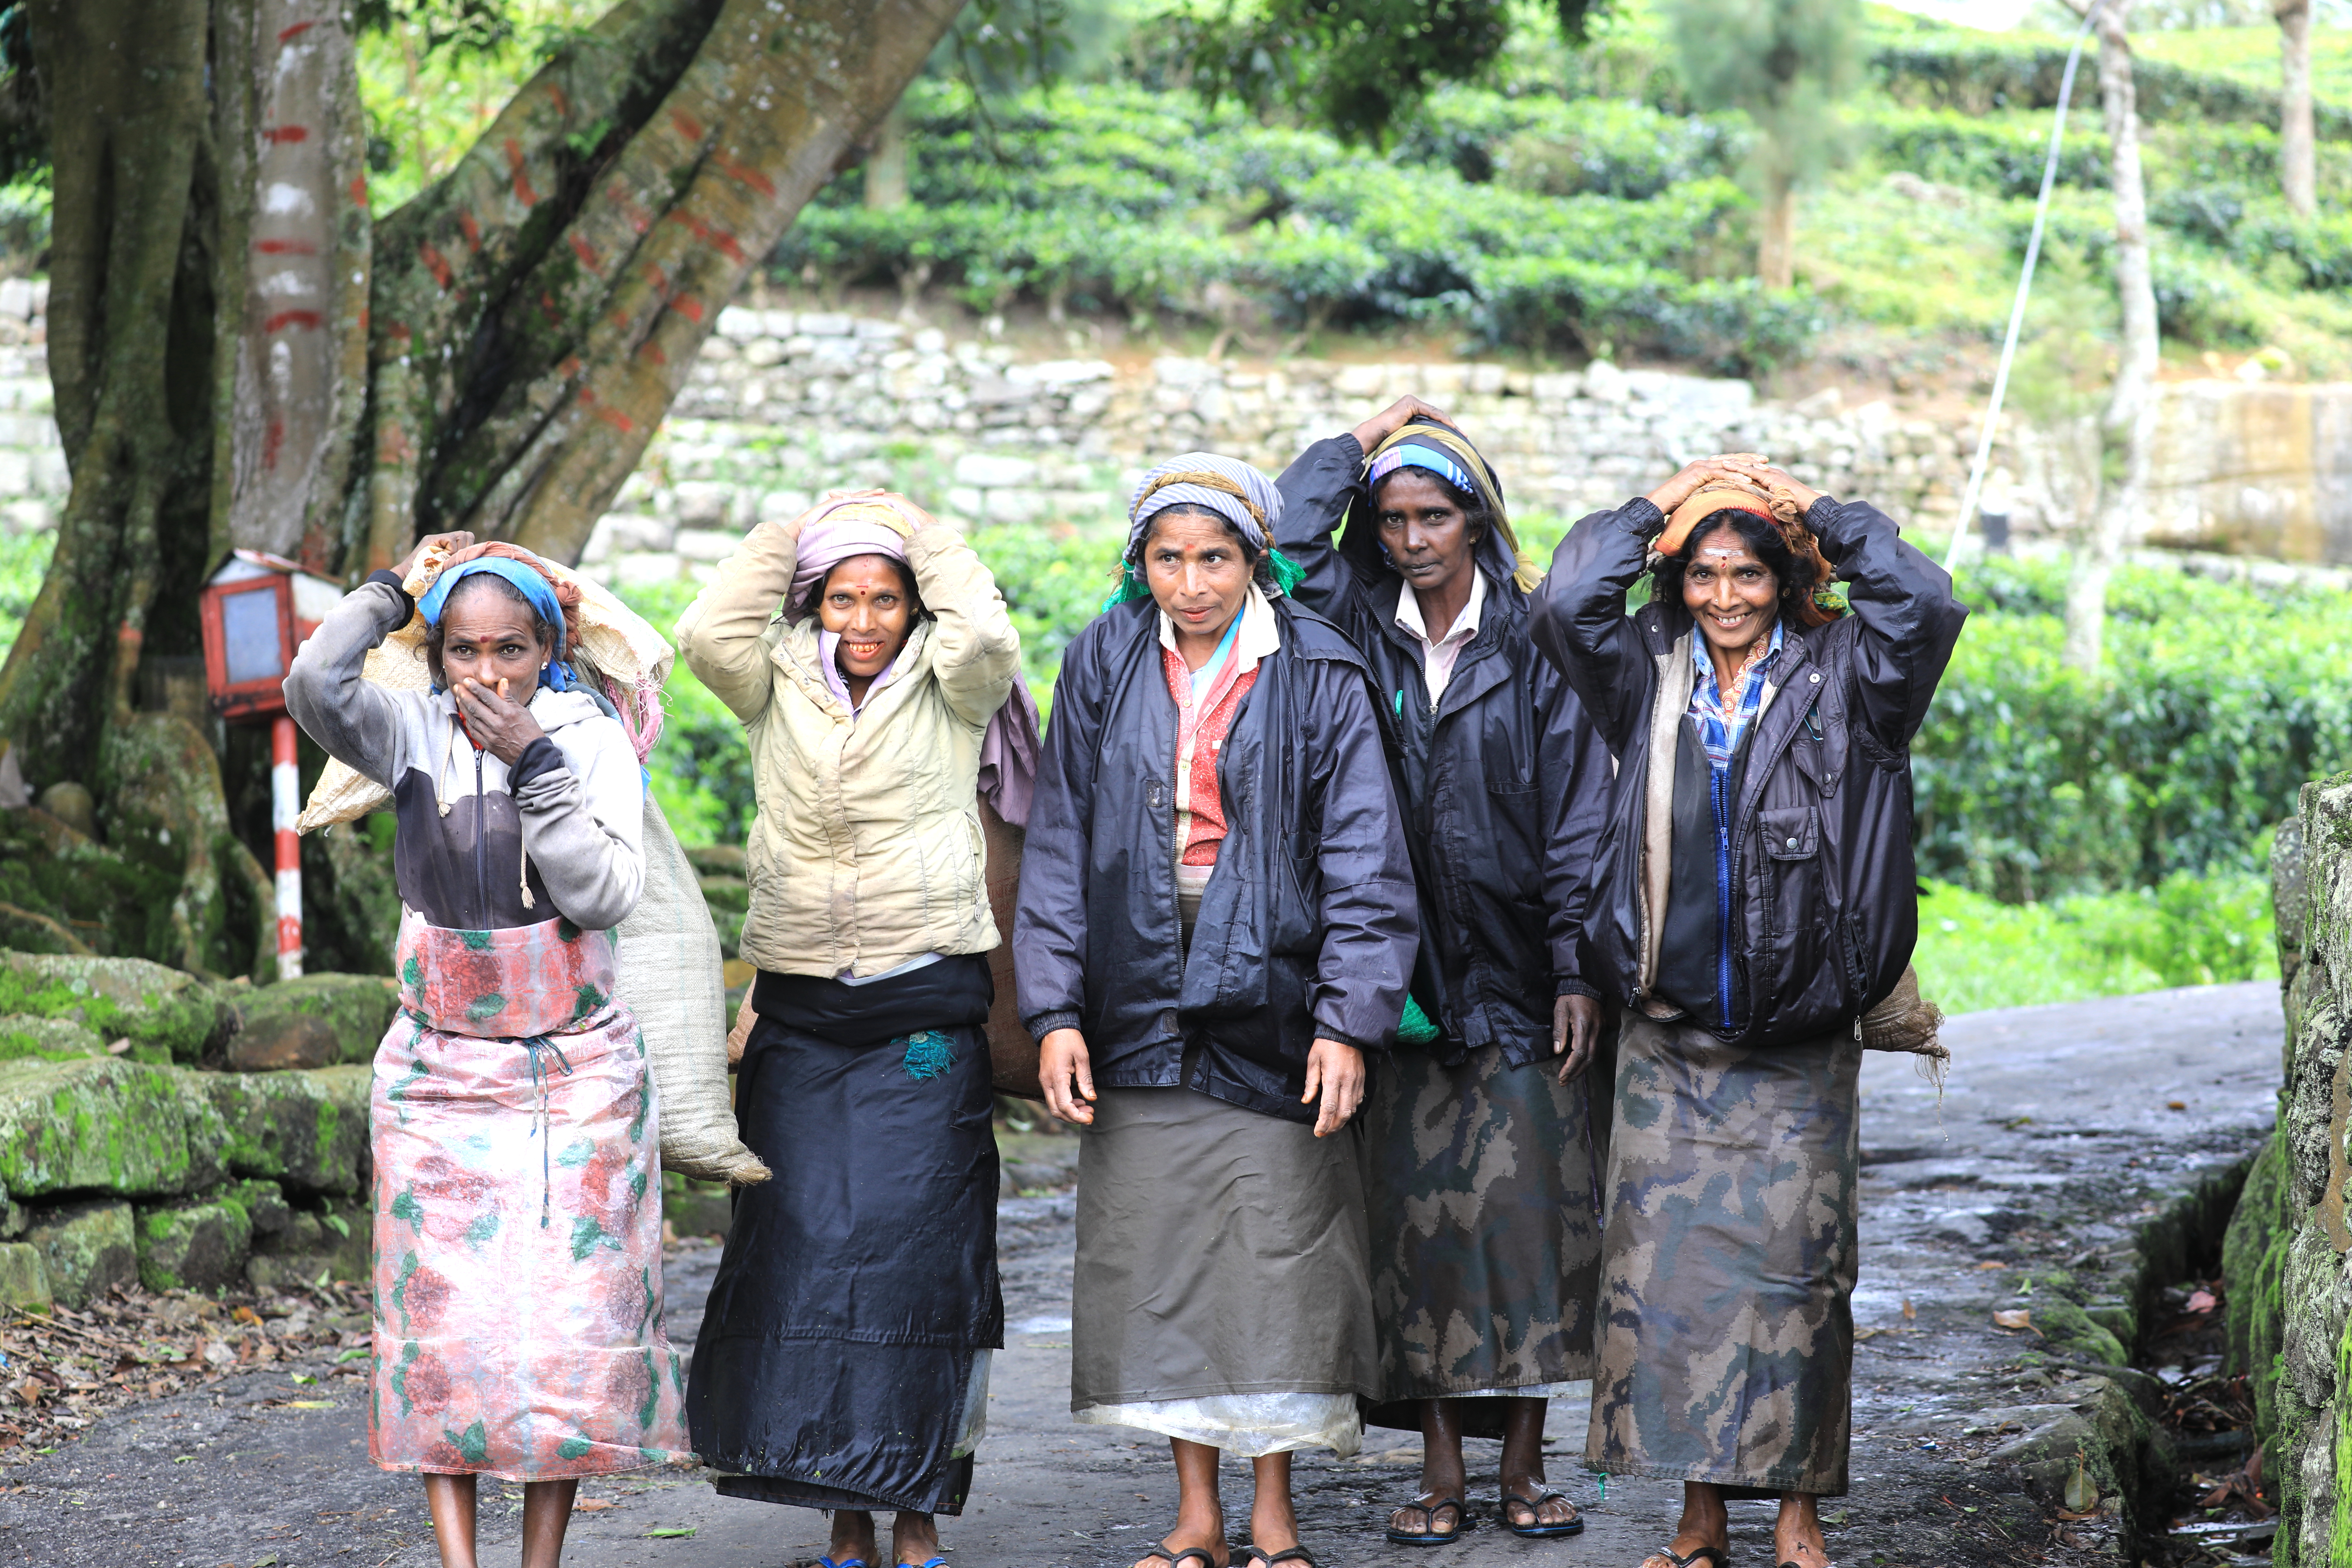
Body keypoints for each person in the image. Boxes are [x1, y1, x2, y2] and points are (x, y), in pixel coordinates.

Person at [1532, 457, 1967, 1568]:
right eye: (1703, 576)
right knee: (1669, 1286)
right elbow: (1567, 598)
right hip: (1671, 1037)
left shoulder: (1854, 678)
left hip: (1801, 1042)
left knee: (1798, 1287)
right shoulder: (1645, 669)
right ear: (1677, 584)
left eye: (1750, 576)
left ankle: (1797, 1517)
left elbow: (1924, 602)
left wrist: (1812, 509)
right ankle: (1697, 1518)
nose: (1724, 598)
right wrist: (1659, 503)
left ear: (1788, 581)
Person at [1014, 454, 1418, 1568]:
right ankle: (1196, 1517)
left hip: (1276, 999)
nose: (1190, 583)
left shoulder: (1320, 671)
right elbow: (1059, 844)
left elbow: (1366, 863)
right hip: (1136, 988)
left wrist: (1348, 1023)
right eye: (1167, 558)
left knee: (1279, 1254)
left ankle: (1274, 1518)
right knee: (1161, 1254)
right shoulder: (1103, 657)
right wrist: (1054, 1011)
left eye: (1214, 558)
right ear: (1138, 564)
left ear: (1256, 562)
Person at [284, 533, 686, 1568]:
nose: (488, 673)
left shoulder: (588, 737)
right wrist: (396, 593)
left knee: (564, 1335)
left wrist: (534, 767)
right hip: (439, 1079)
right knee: (444, 1335)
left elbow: (602, 897)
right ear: (437, 655)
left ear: (547, 650)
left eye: (511, 649)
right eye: (465, 650)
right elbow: (311, 682)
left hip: (575, 1078)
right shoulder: (409, 729)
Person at [1273, 397, 1612, 1545]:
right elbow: (1275, 545)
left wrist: (1575, 967)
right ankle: (1438, 1475)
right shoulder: (1345, 629)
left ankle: (1522, 1469)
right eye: (1393, 519)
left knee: (1527, 1234)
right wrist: (1355, 447)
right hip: (1394, 987)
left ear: (1478, 521)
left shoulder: (1535, 640)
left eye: (1434, 516)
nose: (1412, 540)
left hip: (1519, 979)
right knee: (1412, 1239)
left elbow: (1577, 815)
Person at [675, 491, 1026, 1568]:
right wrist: (793, 525)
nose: (863, 621)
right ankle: (844, 1514)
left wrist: (916, 528)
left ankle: (915, 1511)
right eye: (841, 599)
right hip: (800, 1020)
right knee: (804, 1257)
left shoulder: (953, 686)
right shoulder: (773, 680)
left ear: (914, 607)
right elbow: (704, 635)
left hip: (923, 1023)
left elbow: (992, 635)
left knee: (921, 1258)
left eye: (884, 599)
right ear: (812, 605)